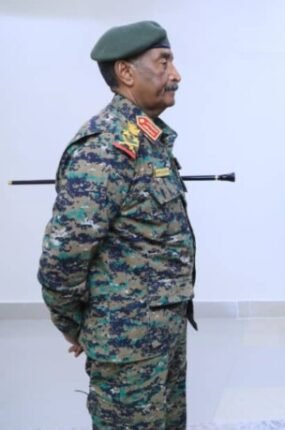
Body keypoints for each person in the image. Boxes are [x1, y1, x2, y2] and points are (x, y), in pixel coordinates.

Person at [37, 21, 197, 429]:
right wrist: (78, 326)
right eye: (163, 62)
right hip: (126, 346)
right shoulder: (106, 146)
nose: (176, 75)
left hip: (160, 336)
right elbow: (62, 256)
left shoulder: (146, 139)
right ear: (126, 72)